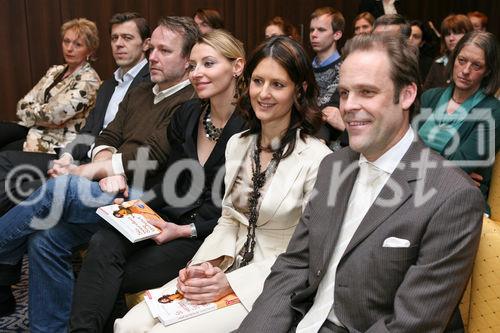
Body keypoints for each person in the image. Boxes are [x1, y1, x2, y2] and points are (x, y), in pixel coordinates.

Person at [237, 33, 484, 333]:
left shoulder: (451, 195)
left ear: (406, 95)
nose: (349, 106)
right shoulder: (333, 165)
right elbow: (294, 267)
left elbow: (412, 324)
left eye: (367, 92)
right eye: (344, 93)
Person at [115, 35, 331, 333]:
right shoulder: (239, 144)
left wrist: (229, 283)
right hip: (225, 266)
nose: (263, 94)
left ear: (300, 90)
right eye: (258, 81)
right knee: (128, 325)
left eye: (278, 84)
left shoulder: (318, 159)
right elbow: (229, 220)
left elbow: (305, 254)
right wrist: (202, 268)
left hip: (271, 282)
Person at [0, 16, 197, 333]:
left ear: (188, 61)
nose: (153, 57)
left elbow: (150, 155)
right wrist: (109, 168)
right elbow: (107, 136)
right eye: (153, 49)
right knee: (44, 240)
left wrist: (101, 169)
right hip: (114, 191)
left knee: (57, 188)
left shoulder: (189, 101)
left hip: (149, 203)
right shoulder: (141, 90)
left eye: (165, 50)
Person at [69, 29, 247, 332]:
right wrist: (136, 207)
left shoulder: (250, 126)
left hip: (205, 234)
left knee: (110, 275)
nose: (197, 74)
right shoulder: (188, 113)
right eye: (192, 66)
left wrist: (184, 229)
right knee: (105, 238)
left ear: (237, 67)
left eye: (209, 64)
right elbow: (170, 176)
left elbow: (237, 210)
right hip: (167, 216)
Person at [0, 12, 151, 217]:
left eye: (127, 38)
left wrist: (85, 167)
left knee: (20, 188)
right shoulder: (108, 85)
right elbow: (89, 130)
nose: (119, 44)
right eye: (115, 38)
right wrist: (67, 157)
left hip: (105, 167)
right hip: (77, 154)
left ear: (145, 44)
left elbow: (54, 115)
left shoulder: (149, 84)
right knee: (5, 160)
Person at [418, 31, 500, 201]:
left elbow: (460, 165)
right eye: (462, 61)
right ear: (454, 59)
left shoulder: (493, 111)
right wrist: (454, 175)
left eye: (477, 65)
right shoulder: (429, 97)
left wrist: (456, 175)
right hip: (415, 188)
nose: (466, 71)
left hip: (459, 198)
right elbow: (403, 151)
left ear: (487, 71)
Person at [0, 18, 100, 153]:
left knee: (5, 153)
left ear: (89, 51)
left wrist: (34, 110)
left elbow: (54, 116)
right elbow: (21, 105)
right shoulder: (55, 71)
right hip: (35, 130)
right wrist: (41, 111)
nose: (69, 48)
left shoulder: (89, 80)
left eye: (78, 44)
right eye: (66, 41)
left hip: (55, 142)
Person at [309, 7, 345, 144]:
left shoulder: (345, 69)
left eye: (321, 30)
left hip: (331, 142)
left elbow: (329, 112)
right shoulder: (305, 68)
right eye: (312, 30)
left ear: (337, 35)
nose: (314, 34)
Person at [424, 14, 473, 91]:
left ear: (468, 35)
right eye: (447, 34)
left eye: (456, 33)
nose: (451, 38)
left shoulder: (475, 63)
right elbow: (426, 92)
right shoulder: (438, 62)